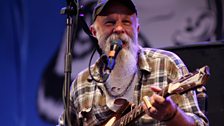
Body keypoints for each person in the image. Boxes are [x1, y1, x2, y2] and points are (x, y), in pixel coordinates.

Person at [58, 0, 209, 125]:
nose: (119, 29)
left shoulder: (166, 65)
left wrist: (172, 114)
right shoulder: (82, 82)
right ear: (94, 32)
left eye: (126, 22)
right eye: (110, 23)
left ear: (137, 29)